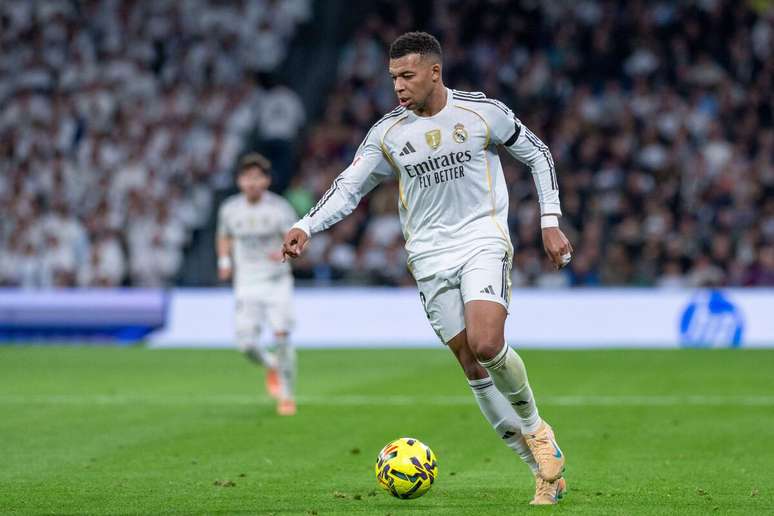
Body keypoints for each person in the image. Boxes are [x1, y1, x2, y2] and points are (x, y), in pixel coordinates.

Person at [282, 32, 573, 504]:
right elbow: (349, 187)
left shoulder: (481, 112)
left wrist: (550, 221)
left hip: (481, 240)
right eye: (393, 77)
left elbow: (537, 155)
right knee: (470, 364)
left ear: (434, 72)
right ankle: (543, 472)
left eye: (407, 75)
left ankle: (537, 429)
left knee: (486, 343)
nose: (398, 86)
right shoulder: (388, 133)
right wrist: (306, 224)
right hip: (428, 256)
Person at [217, 153, 298, 416]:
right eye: (247, 177)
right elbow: (224, 236)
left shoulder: (279, 208)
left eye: (257, 177)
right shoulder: (230, 209)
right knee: (246, 344)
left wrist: (287, 252)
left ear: (266, 181)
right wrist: (224, 261)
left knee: (282, 335)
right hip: (247, 282)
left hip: (277, 281)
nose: (252, 182)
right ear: (239, 181)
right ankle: (271, 364)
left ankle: (287, 395)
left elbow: (296, 238)